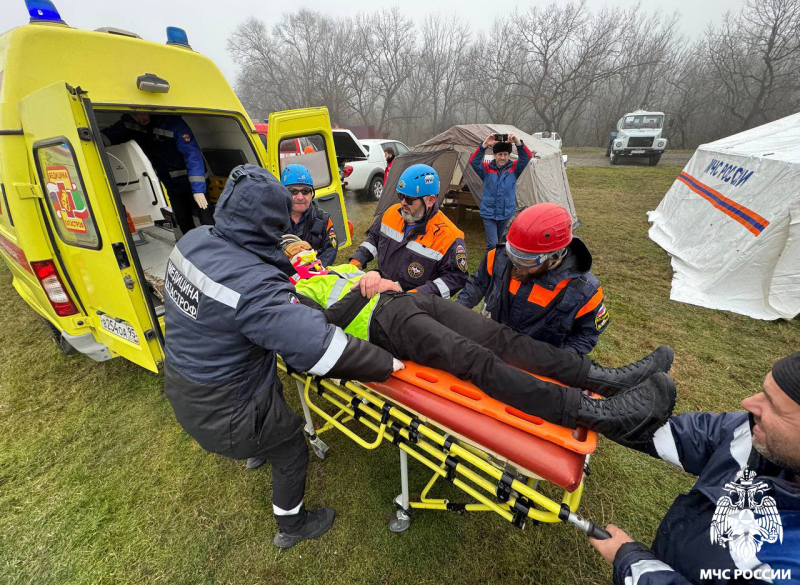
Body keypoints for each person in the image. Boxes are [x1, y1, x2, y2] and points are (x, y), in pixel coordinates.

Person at [162, 164, 403, 549]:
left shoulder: (194, 241)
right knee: (290, 444)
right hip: (224, 410)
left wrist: (355, 293)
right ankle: (292, 524)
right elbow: (322, 348)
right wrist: (389, 365)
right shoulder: (253, 286)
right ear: (270, 225)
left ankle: (257, 450)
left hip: (183, 383)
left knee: (267, 391)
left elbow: (291, 317)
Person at [282, 248, 677, 443]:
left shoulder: (337, 265)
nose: (303, 254)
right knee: (475, 359)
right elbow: (318, 330)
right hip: (388, 325)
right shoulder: (296, 293)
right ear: (288, 267)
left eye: (302, 248)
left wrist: (382, 281)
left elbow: (372, 280)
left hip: (410, 300)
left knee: (502, 337)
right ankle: (589, 411)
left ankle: (602, 378)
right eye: (293, 254)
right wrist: (361, 293)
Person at [589, 352, 800, 584]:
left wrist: (636, 567)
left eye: (774, 405)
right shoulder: (762, 433)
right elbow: (706, 436)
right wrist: (621, 418)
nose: (748, 403)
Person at [458, 203, 607, 355]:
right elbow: (477, 284)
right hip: (494, 344)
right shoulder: (499, 257)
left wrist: (556, 361)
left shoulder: (585, 292)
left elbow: (586, 335)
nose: (516, 266)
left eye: (525, 261)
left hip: (536, 364)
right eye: (513, 255)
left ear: (555, 256)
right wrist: (456, 312)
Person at [349, 164, 469, 299]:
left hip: (414, 306)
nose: (403, 203)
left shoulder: (449, 237)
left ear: (430, 200)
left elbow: (455, 278)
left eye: (410, 199)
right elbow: (373, 239)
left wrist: (412, 296)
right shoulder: (391, 213)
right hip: (380, 294)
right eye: (401, 196)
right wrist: (356, 262)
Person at [102, 112, 212, 235]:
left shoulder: (172, 124)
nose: (143, 117)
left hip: (193, 183)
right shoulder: (130, 125)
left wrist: (198, 190)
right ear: (130, 113)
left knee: (206, 220)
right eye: (136, 114)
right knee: (182, 220)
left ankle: (215, 249)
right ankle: (193, 249)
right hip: (172, 185)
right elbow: (108, 136)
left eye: (145, 112)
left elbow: (193, 156)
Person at [470, 132, 532, 251]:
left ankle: (495, 265)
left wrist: (517, 142)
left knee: (498, 243)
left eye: (505, 154)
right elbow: (474, 161)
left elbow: (526, 157)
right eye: (499, 154)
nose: (502, 157)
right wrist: (484, 145)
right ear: (494, 155)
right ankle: (487, 268)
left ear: (509, 155)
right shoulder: (486, 169)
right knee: (492, 244)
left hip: (505, 213)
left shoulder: (514, 168)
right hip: (489, 213)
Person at [281, 164, 338, 267]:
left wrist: (312, 270)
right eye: (293, 191)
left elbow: (330, 251)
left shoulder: (323, 220)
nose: (300, 197)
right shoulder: (272, 220)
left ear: (312, 194)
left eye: (305, 191)